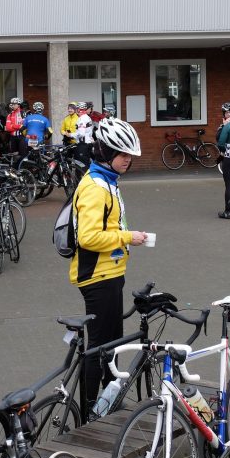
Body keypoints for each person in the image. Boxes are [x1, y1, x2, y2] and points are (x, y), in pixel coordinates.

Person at [70, 118, 148, 419]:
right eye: (122, 153)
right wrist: (128, 237)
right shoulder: (96, 188)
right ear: (104, 152)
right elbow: (87, 238)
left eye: (130, 155)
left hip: (110, 272)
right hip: (98, 276)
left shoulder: (107, 181)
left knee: (111, 344)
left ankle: (106, 402)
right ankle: (89, 412)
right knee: (99, 346)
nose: (127, 160)